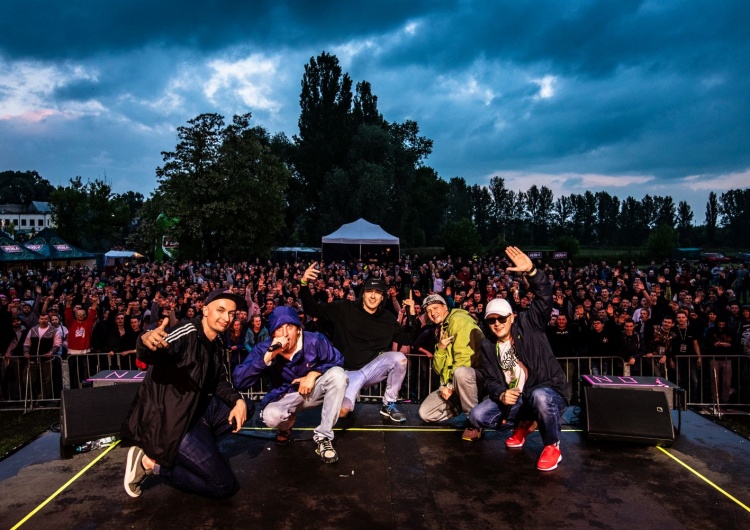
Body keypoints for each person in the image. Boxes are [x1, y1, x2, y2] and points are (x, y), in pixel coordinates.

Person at [122, 288, 250, 499]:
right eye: (221, 310)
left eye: (232, 313)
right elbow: (157, 349)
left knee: (245, 406)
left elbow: (218, 381)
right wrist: (145, 339)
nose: (227, 318)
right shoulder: (187, 331)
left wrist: (238, 400)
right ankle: (149, 463)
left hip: (194, 414)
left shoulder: (216, 342)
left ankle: (197, 448)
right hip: (172, 424)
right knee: (224, 486)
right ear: (205, 310)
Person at [468, 247, 571, 472]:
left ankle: (553, 446)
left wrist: (533, 272)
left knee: (540, 396)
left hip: (549, 392)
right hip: (519, 400)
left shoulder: (529, 324)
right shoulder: (488, 345)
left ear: (512, 317)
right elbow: (491, 381)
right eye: (491, 320)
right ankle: (524, 424)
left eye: (501, 318)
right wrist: (501, 394)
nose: (497, 323)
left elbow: (544, 295)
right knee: (477, 416)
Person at [300, 264, 415, 423]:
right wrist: (304, 284)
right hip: (344, 372)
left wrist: (412, 314)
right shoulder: (344, 308)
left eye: (378, 293)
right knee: (341, 412)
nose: (373, 296)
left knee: (399, 358)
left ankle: (389, 404)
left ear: (383, 297)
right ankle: (339, 399)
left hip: (369, 370)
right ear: (363, 293)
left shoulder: (387, 319)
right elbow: (313, 310)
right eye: (369, 291)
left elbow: (408, 339)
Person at [233, 306, 347, 463]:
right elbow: (239, 380)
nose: (285, 333)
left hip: (314, 391)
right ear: (273, 333)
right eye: (279, 328)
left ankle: (323, 437)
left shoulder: (315, 340)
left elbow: (338, 360)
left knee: (339, 375)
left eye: (290, 327)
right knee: (271, 417)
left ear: (298, 330)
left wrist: (313, 374)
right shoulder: (265, 349)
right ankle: (286, 426)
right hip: (285, 395)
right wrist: (268, 357)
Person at [418, 290, 484, 438]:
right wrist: (440, 349)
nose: (432, 313)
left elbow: (464, 358)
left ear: (445, 307)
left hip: (475, 381)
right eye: (428, 311)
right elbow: (436, 368)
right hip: (454, 385)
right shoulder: (441, 328)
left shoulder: (459, 320)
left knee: (461, 372)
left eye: (435, 308)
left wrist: (450, 386)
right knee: (425, 413)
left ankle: (476, 421)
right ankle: (463, 403)